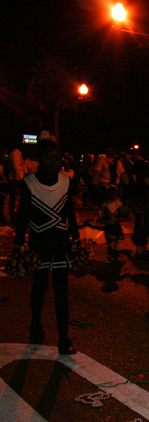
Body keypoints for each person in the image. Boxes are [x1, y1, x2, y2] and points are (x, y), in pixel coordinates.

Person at [14, 134, 80, 355]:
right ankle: (35, 323)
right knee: (39, 288)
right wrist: (19, 245)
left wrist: (77, 240)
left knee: (62, 291)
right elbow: (22, 216)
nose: (54, 162)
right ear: (39, 159)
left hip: (61, 243)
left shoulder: (66, 182)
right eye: (49, 158)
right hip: (39, 243)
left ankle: (63, 338)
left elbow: (69, 212)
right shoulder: (28, 183)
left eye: (57, 158)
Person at [99, 185, 129, 260]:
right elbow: (101, 212)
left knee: (116, 238)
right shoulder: (105, 204)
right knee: (110, 237)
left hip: (116, 223)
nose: (114, 197)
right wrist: (100, 216)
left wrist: (127, 209)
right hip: (109, 223)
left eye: (115, 195)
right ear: (108, 195)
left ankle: (115, 250)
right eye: (112, 195)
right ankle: (109, 247)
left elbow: (123, 211)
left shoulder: (118, 203)